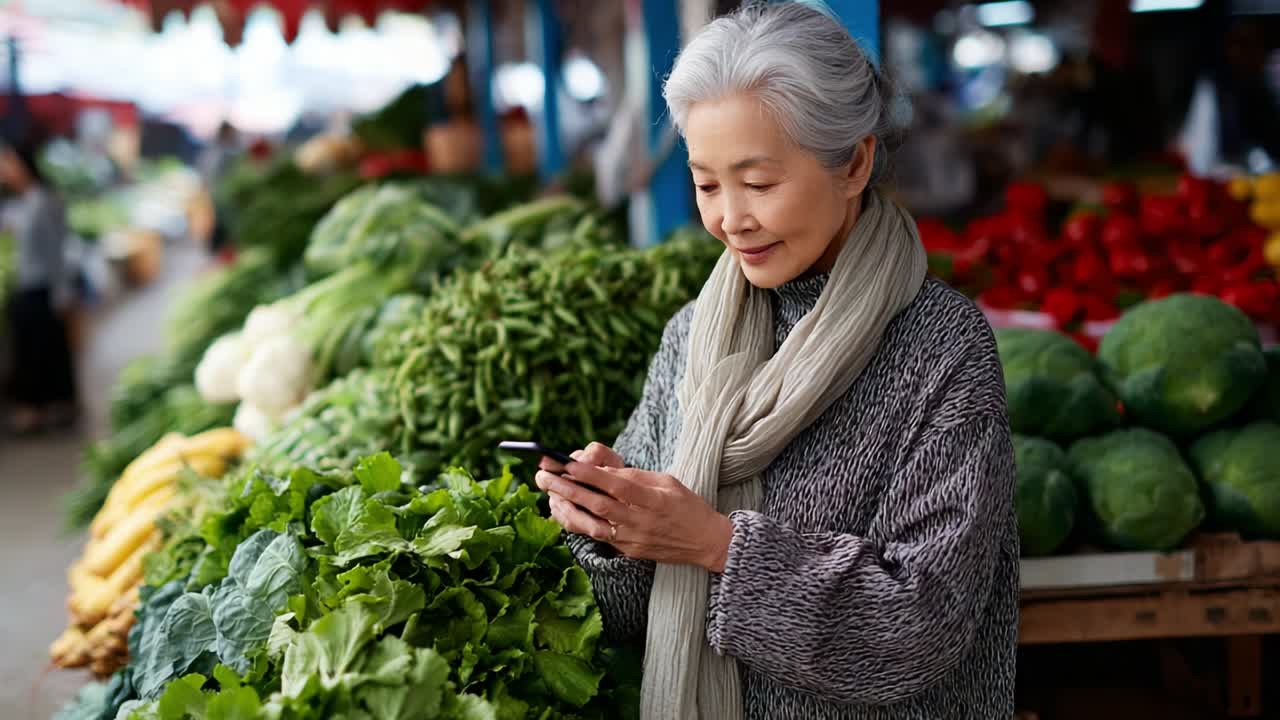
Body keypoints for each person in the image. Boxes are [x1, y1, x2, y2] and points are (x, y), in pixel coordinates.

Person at [534, 3, 1018, 719]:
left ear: (853, 163)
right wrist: (613, 528)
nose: (731, 217)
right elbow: (629, 616)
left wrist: (718, 547)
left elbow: (923, 625)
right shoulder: (693, 337)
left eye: (759, 183)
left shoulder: (941, 347)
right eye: (707, 184)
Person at [2, 138, 77, 433]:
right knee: (30, 352)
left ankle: (46, 410)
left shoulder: (45, 202)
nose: (4, 170)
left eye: (8, 163)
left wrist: (63, 294)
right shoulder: (17, 205)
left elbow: (58, 250)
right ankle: (35, 409)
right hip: (24, 289)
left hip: (43, 290)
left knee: (45, 351)